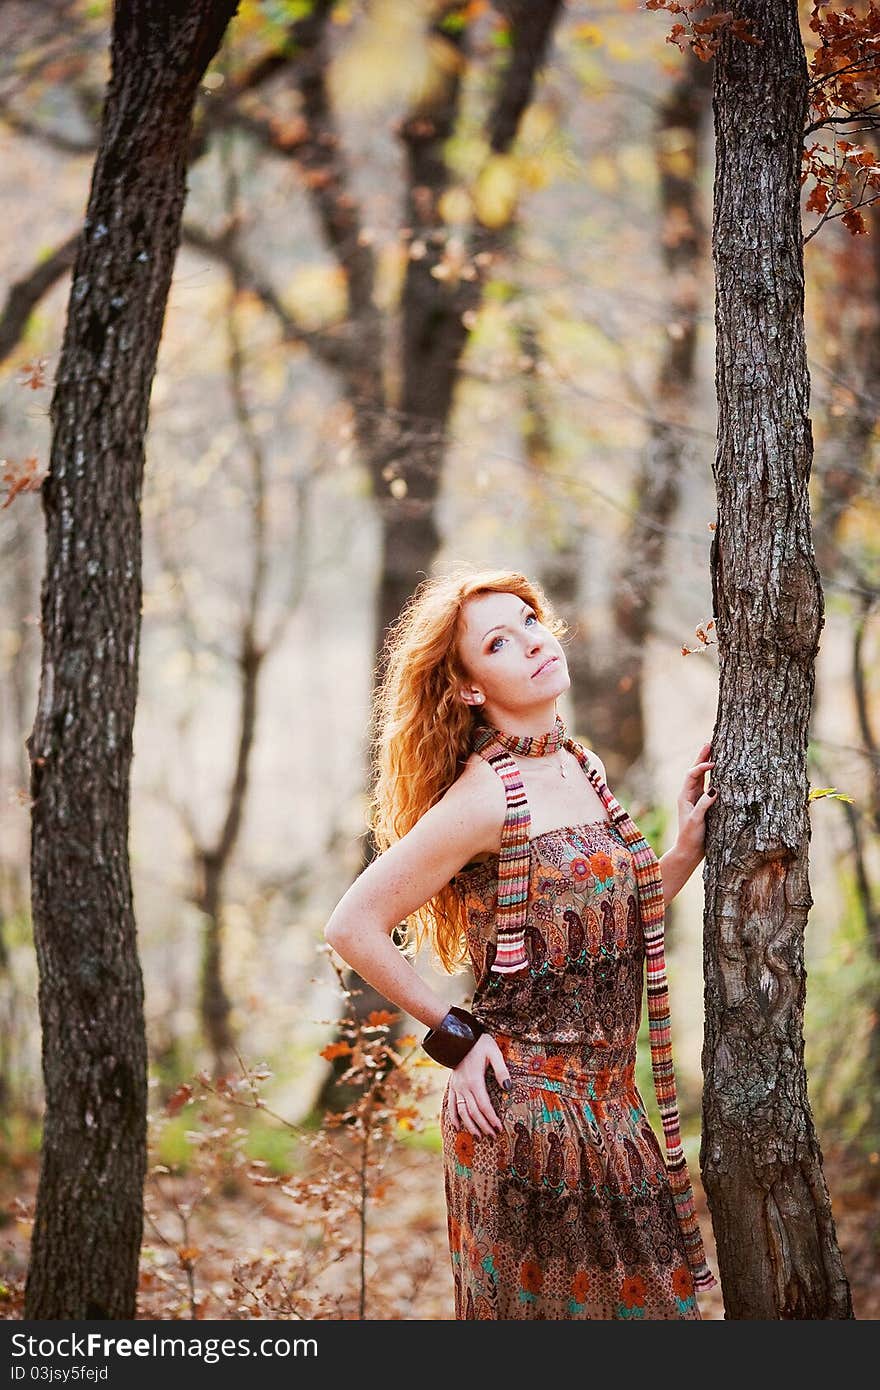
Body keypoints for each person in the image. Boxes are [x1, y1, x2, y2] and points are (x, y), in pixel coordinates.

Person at [324, 566, 718, 1319]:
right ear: (472, 688)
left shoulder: (582, 765)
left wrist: (681, 855)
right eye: (501, 642)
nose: (534, 643)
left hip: (613, 1105)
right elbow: (351, 925)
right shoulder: (481, 798)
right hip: (523, 1115)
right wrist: (458, 1040)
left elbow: (600, 930)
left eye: (531, 622)